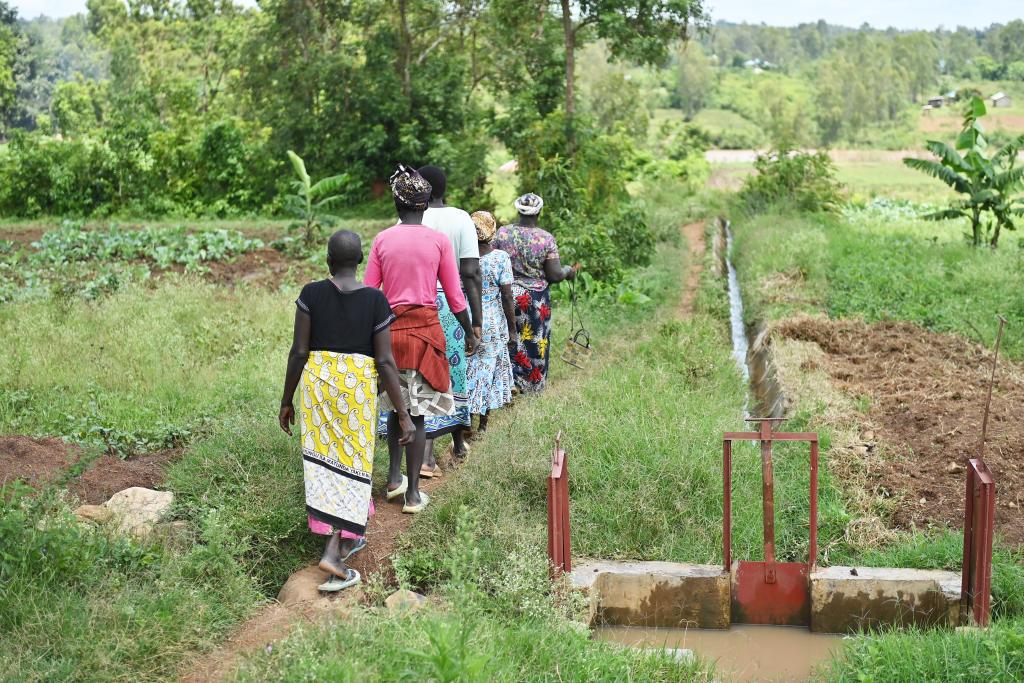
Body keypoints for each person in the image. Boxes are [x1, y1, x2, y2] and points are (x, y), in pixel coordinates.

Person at [278, 229, 415, 593]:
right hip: (355, 391)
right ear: (360, 261)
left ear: (328, 260)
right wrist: (403, 414)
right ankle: (334, 551)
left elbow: (299, 352)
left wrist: (287, 400)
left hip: (318, 388)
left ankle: (345, 537)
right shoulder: (375, 300)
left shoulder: (311, 294)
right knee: (353, 461)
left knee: (324, 460)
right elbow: (385, 361)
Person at [364, 163, 479, 514]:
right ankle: (413, 494)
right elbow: (455, 296)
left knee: (395, 409)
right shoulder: (438, 241)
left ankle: (393, 479)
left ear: (396, 205)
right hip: (426, 336)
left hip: (390, 338)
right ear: (425, 205)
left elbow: (369, 292)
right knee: (417, 416)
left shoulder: (382, 239)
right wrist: (468, 330)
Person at [416, 164, 481, 473]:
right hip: (452, 304)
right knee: (455, 371)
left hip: (418, 302)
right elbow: (470, 272)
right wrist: (475, 320)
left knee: (426, 372)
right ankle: (453, 445)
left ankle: (428, 454)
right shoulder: (461, 218)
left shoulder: (410, 217)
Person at [492, 193, 576, 394]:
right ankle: (532, 385)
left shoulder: (502, 234)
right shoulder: (545, 238)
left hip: (506, 294)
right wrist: (568, 271)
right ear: (539, 212)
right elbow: (555, 274)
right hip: (535, 300)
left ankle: (509, 382)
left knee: (509, 336)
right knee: (536, 340)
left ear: (518, 210)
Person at [465, 210, 517, 435]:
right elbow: (507, 296)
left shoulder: (461, 257)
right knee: (488, 371)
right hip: (492, 321)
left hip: (466, 318)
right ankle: (483, 425)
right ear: (492, 231)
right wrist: (513, 330)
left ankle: (465, 420)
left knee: (468, 368)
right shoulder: (500, 258)